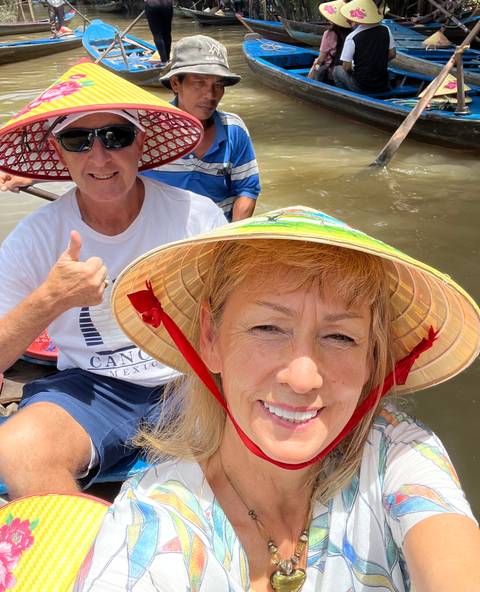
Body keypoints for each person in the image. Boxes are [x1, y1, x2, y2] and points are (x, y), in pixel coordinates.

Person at [76, 206, 480, 591]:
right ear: (210, 338)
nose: (303, 378)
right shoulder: (150, 524)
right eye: (268, 328)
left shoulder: (397, 455)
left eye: (340, 337)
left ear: (371, 360)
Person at [0, 61, 226, 499]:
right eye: (77, 140)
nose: (99, 157)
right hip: (93, 387)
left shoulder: (197, 217)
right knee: (19, 450)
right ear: (60, 152)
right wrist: (50, 300)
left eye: (116, 137)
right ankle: (86, 557)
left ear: (141, 143)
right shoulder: (36, 237)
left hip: (191, 377)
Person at [141, 35, 261, 221]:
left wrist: (230, 241)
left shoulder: (233, 129)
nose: (211, 95)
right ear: (175, 83)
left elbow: (247, 189)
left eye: (218, 85)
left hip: (217, 237)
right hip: (163, 241)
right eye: (200, 83)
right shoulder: (148, 131)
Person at [333, 0, 396, 94]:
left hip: (361, 87)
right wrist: (376, 63)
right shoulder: (386, 29)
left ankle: (346, 96)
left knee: (337, 70)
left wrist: (360, 67)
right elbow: (392, 54)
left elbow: (346, 67)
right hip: (383, 84)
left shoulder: (352, 37)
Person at [308, 0, 351, 83]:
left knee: (317, 65)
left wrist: (310, 76)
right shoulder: (352, 32)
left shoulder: (329, 34)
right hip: (347, 74)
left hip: (331, 74)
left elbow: (320, 59)